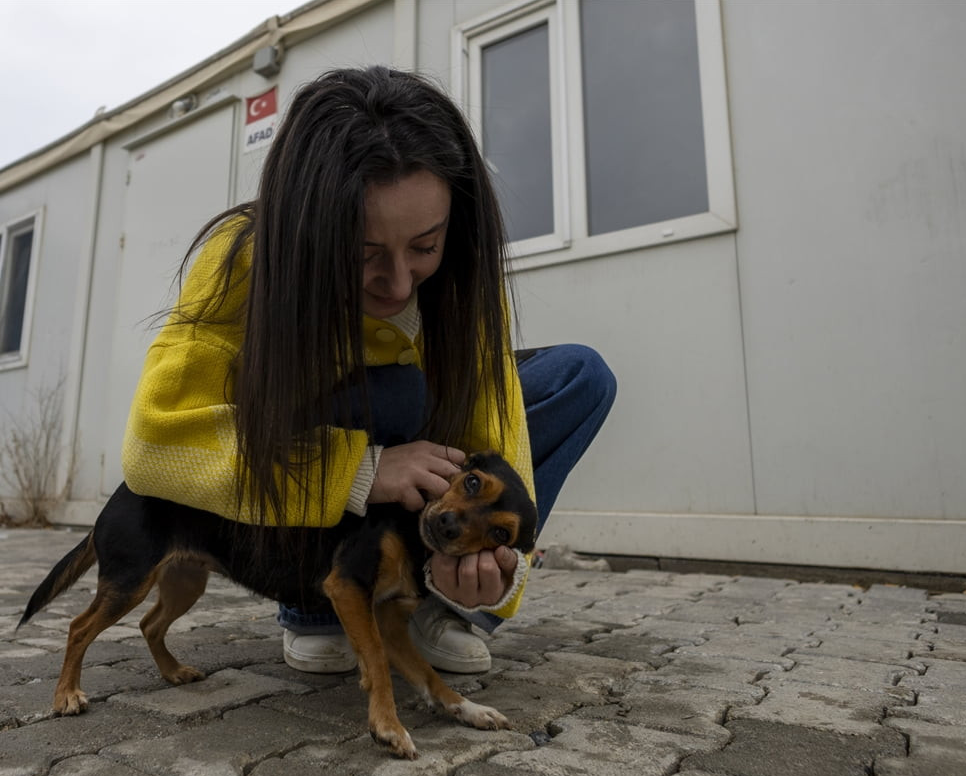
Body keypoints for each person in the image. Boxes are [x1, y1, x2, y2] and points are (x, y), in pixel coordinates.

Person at [121, 66, 615, 675]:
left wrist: (493, 569)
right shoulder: (242, 257)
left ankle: (438, 598)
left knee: (580, 377)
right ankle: (315, 604)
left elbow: (495, 426)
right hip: (299, 456)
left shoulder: (463, 268)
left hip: (419, 462)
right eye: (362, 254)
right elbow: (153, 443)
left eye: (424, 247)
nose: (399, 283)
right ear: (303, 230)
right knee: (396, 392)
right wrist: (359, 470)